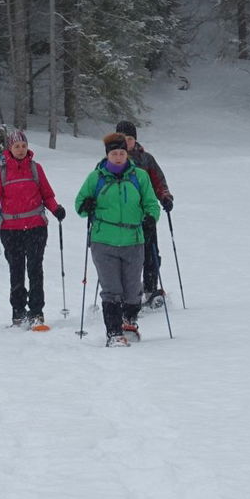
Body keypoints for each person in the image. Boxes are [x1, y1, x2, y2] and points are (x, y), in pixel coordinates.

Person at [75, 131, 161, 346]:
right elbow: (79, 204)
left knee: (132, 289)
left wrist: (151, 217)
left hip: (133, 240)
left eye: (122, 153)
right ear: (107, 155)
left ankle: (129, 321)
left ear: (127, 154)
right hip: (104, 240)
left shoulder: (139, 176)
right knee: (111, 289)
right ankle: (113, 333)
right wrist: (86, 206)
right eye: (114, 153)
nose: (119, 157)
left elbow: (151, 203)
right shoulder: (96, 177)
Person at [0, 128, 65, 327]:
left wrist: (56, 209)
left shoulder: (36, 168)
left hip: (36, 227)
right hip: (11, 229)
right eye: (17, 146)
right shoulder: (1, 172)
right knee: (16, 270)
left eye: (24, 146)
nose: (21, 150)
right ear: (10, 148)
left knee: (35, 269)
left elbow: (47, 195)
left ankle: (37, 312)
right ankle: (18, 311)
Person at [116, 120, 176, 306]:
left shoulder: (146, 159)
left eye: (130, 138)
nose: (127, 142)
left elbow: (159, 181)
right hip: (121, 219)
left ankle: (150, 288)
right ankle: (125, 293)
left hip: (146, 216)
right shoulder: (114, 159)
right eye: (123, 138)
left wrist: (165, 197)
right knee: (124, 256)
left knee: (150, 253)